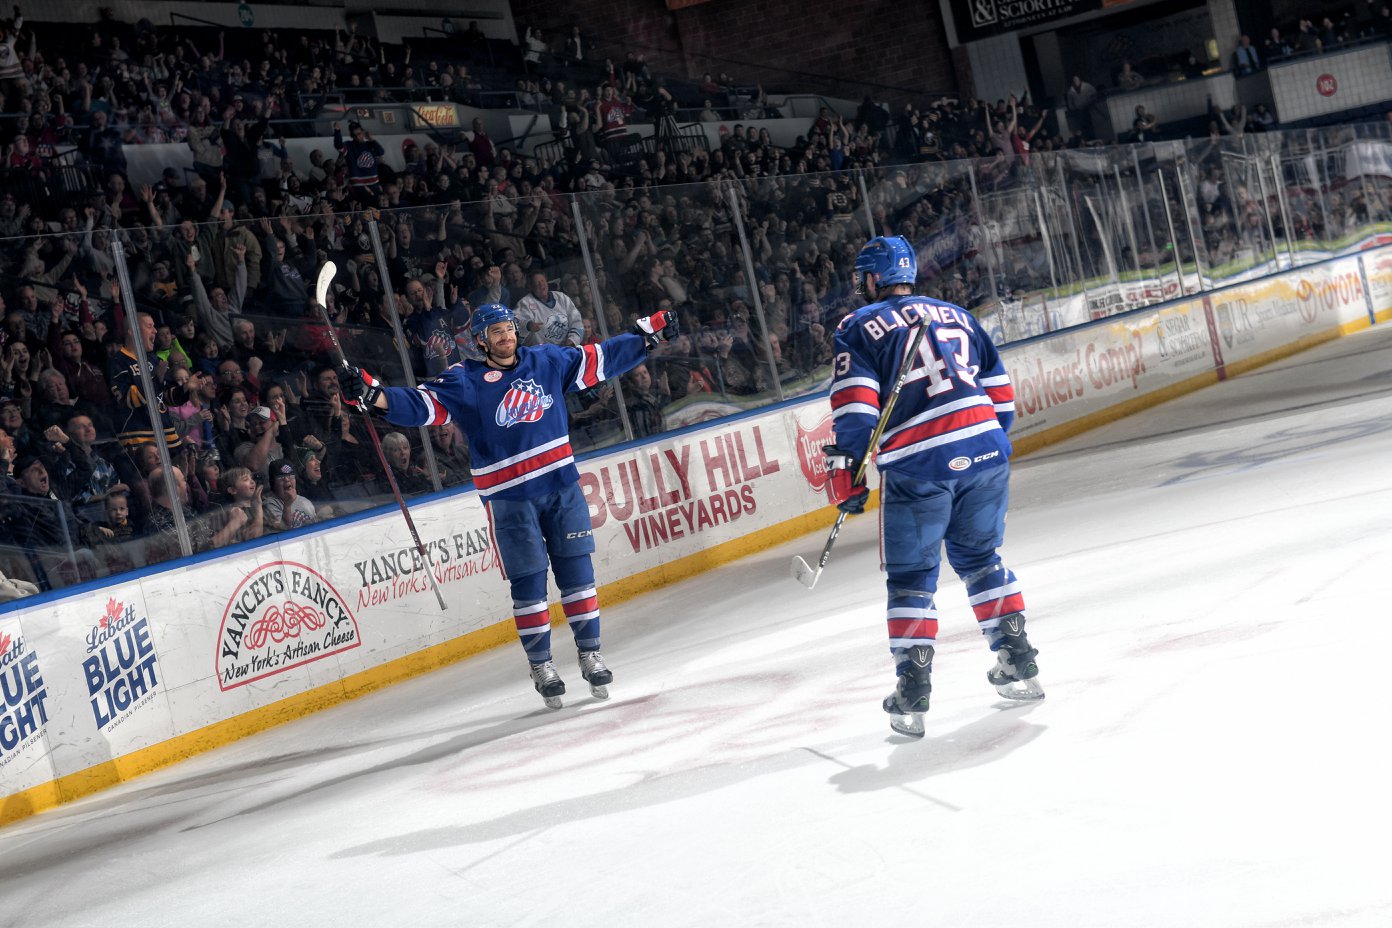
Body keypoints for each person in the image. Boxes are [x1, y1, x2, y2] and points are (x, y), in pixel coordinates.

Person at [338, 302, 678, 708]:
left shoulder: (547, 360)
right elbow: (419, 404)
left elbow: (600, 358)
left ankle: (590, 654)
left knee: (578, 573)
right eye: (495, 331)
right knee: (530, 582)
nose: (505, 336)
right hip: (510, 499)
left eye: (509, 328)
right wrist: (373, 394)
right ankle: (542, 665)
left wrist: (647, 336)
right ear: (480, 340)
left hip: (562, 487)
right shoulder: (464, 381)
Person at [823, 235, 1043, 738]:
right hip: (988, 451)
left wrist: (851, 474)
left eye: (863, 277)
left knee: (912, 578)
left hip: (920, 465)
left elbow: (856, 413)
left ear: (873, 279)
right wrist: (978, 451)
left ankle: (913, 693)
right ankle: (1020, 662)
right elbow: (1003, 400)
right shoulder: (958, 314)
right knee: (982, 559)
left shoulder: (856, 327)